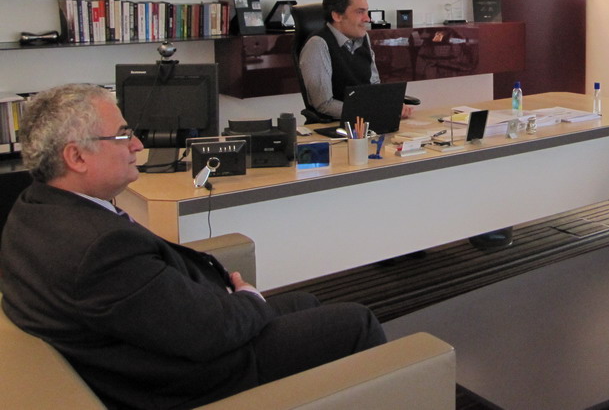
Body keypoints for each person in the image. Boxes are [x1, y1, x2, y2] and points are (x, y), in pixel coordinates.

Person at [0, 84, 386, 409]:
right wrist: (248, 299)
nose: (136, 144)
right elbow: (208, 333)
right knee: (357, 323)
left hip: (161, 343)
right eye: (121, 135)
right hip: (196, 378)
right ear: (76, 156)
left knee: (307, 302)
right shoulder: (99, 249)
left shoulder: (33, 208)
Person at [300, 0, 411, 121]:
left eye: (366, 11)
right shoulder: (318, 44)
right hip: (334, 126)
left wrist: (391, 105)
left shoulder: (363, 38)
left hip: (365, 123)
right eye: (360, 12)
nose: (367, 18)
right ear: (337, 16)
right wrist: (370, 112)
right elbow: (324, 104)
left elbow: (374, 86)